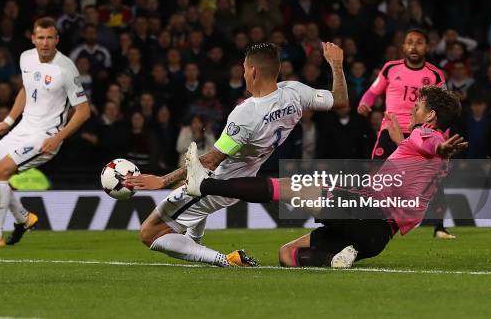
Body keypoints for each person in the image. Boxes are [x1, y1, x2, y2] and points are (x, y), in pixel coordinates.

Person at [181, 86, 466, 268]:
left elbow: (429, 142)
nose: (413, 109)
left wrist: (436, 144)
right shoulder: (434, 157)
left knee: (291, 188)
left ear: (430, 116)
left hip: (366, 213)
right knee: (287, 254)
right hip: (376, 239)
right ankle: (340, 257)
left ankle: (204, 183)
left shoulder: (427, 136)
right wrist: (405, 140)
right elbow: (421, 152)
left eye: (418, 106)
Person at [126, 42, 348, 267]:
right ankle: (194, 241)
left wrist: (161, 180)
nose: (242, 73)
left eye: (244, 68)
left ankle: (226, 260)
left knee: (149, 232)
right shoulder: (295, 93)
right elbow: (340, 101)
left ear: (253, 71)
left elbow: (211, 161)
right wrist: (337, 65)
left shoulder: (247, 113)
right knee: (188, 210)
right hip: (240, 181)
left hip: (216, 185)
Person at [0, 17, 91, 247]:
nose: (45, 43)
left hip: (45, 136)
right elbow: (26, 90)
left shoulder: (65, 68)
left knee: (0, 172)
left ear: (57, 39)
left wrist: (57, 137)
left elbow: (84, 111)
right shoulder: (25, 58)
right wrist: (9, 120)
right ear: (33, 38)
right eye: (41, 38)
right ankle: (24, 218)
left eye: (49, 38)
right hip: (23, 128)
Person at [357, 28, 453, 239]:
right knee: (376, 176)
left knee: (430, 177)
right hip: (390, 130)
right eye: (410, 42)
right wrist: (365, 102)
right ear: (403, 47)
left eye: (419, 42)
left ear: (427, 47)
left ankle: (439, 227)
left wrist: (443, 137)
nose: (414, 46)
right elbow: (373, 91)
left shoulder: (435, 74)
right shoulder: (390, 68)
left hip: (421, 133)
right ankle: (365, 218)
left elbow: (444, 108)